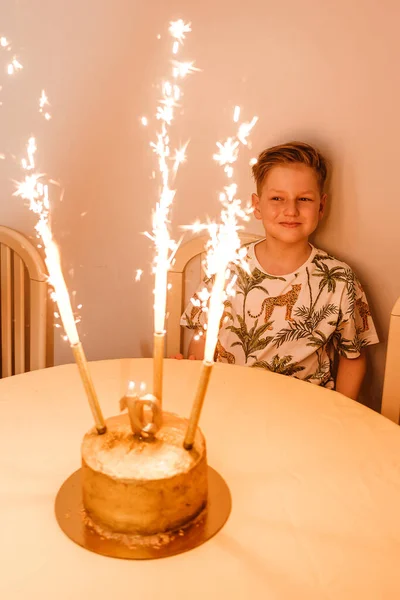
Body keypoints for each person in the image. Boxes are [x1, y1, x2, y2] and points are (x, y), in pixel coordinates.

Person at [179, 141, 379, 400]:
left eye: (304, 199)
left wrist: (341, 417)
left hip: (304, 413)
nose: (291, 210)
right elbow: (202, 337)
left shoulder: (339, 279)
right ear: (257, 205)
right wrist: (191, 374)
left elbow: (353, 356)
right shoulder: (228, 268)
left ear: (321, 206)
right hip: (226, 402)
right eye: (277, 198)